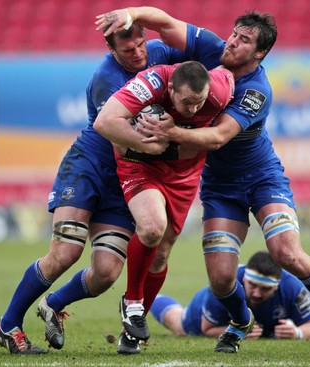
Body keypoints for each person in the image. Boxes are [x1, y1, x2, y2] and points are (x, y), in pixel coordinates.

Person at [96, 7, 310, 353]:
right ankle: (240, 321)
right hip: (220, 186)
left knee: (287, 253)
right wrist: (129, 12)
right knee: (220, 280)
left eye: (244, 41)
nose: (232, 43)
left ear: (259, 53)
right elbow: (166, 24)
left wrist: (170, 132)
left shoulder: (256, 90)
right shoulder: (214, 50)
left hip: (262, 178)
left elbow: (218, 137)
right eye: (234, 34)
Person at [0, 23, 193, 355]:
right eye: (128, 50)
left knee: (106, 272)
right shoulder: (107, 78)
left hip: (124, 180)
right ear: (112, 50)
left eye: (141, 44)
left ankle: (54, 304)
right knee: (65, 252)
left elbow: (200, 50)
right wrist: (165, 145)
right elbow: (118, 141)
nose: (139, 53)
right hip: (89, 166)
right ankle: (9, 323)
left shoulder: (159, 52)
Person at [93, 60, 234, 344]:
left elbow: (229, 74)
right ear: (170, 89)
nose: (193, 110)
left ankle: (131, 333)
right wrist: (146, 145)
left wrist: (170, 139)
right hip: (141, 165)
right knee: (152, 227)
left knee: (161, 253)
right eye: (186, 102)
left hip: (184, 174)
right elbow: (104, 122)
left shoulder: (221, 88)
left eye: (200, 102)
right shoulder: (152, 83)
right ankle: (132, 302)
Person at [151, 251, 310, 340]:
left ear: (277, 286)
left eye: (265, 288)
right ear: (245, 279)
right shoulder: (225, 284)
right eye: (253, 285)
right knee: (179, 324)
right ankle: (149, 296)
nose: (257, 293)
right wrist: (238, 332)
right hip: (202, 313)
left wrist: (298, 332)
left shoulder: (292, 287)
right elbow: (208, 329)